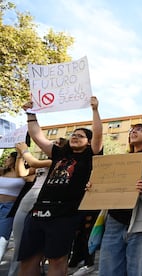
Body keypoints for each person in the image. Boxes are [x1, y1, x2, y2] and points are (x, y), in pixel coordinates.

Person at [17, 96, 103, 276]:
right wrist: (31, 114)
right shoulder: (58, 154)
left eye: (81, 136)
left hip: (65, 215)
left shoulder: (90, 156)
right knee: (28, 260)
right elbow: (37, 136)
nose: (75, 137)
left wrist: (94, 110)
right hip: (38, 212)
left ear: (88, 142)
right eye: (73, 134)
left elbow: (98, 135)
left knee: (57, 260)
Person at [98, 123, 142, 276]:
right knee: (109, 270)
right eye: (132, 130)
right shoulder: (120, 161)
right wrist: (94, 187)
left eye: (139, 129)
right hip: (114, 222)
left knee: (141, 271)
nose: (133, 132)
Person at [8, 140, 66, 276]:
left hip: (44, 205)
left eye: (57, 143)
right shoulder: (44, 162)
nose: (51, 144)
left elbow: (33, 163)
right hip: (26, 203)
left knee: (40, 248)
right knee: (19, 245)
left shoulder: (59, 162)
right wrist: (20, 156)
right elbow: (22, 173)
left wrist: (24, 150)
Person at [0, 151, 27, 261]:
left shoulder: (24, 173)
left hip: (9, 208)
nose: (6, 159)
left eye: (9, 157)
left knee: (2, 238)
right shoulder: (2, 171)